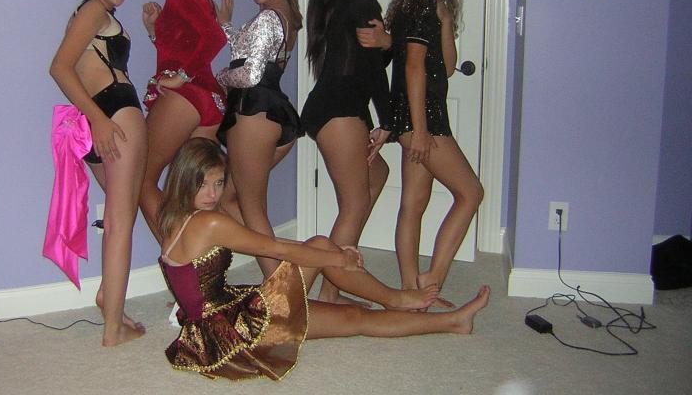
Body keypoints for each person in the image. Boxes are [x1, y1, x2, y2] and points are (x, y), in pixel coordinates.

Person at [157, 138, 490, 381]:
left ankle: (416, 307)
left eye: (218, 183)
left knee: (325, 257)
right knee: (353, 313)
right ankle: (420, 308)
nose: (212, 194)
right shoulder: (208, 222)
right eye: (203, 184)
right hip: (232, 333)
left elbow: (268, 244)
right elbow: (275, 249)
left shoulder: (175, 216)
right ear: (185, 180)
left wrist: (330, 255)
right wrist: (338, 260)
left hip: (220, 317)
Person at [49, 0, 147, 346]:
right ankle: (113, 330)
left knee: (121, 215)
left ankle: (110, 298)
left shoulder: (93, 14)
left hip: (99, 119)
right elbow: (59, 68)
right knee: (121, 222)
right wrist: (100, 119)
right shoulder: (93, 11)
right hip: (114, 114)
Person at [386, 0, 484, 292]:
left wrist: (445, 20)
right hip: (422, 117)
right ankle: (431, 281)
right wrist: (421, 130)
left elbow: (448, 65)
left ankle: (410, 292)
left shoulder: (427, 2)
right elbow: (414, 67)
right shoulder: (422, 1)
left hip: (418, 115)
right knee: (471, 193)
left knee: (413, 203)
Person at [299, 0, 394, 305]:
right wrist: (388, 120)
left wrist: (386, 42)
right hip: (339, 113)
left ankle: (332, 289)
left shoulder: (347, 0)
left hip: (337, 110)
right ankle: (321, 294)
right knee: (353, 205)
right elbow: (373, 70)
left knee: (377, 174)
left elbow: (368, 59)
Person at [214, 0, 304, 277]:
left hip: (254, 113)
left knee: (252, 209)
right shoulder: (284, 13)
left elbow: (250, 74)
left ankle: (283, 290)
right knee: (228, 199)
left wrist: (221, 77)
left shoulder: (268, 17)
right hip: (271, 113)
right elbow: (250, 51)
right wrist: (226, 25)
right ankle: (285, 275)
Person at [138, 0, 227, 242]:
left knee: (139, 178)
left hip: (187, 97)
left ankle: (178, 260)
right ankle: (203, 267)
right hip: (208, 100)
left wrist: (182, 77)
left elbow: (215, 38)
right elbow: (185, 49)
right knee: (194, 193)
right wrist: (155, 31)